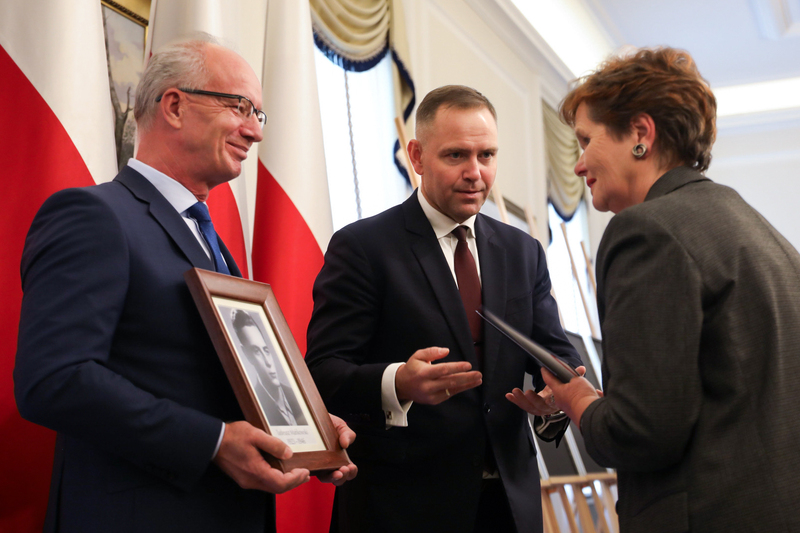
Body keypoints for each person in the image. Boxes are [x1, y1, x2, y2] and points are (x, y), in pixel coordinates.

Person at [14, 35, 355, 533]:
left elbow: (223, 379)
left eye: (259, 115)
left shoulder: (212, 244)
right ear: (174, 105)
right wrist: (213, 443)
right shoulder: (95, 215)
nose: (254, 132)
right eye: (241, 107)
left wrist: (310, 435)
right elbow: (54, 379)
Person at [536, 47, 800, 532]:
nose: (577, 166)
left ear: (640, 134)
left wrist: (578, 401)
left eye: (586, 140)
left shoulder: (646, 232)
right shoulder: (762, 233)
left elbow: (640, 433)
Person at [305, 85, 582, 533]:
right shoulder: (363, 247)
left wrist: (556, 396)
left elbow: (555, 354)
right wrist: (399, 382)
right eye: (456, 156)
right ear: (416, 156)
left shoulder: (523, 251)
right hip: (400, 507)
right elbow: (322, 372)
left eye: (487, 156)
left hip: (508, 506)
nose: (475, 173)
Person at [230, 309, 307, 426]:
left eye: (266, 350)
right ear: (246, 354)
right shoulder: (251, 406)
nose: (268, 362)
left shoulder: (299, 398)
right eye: (257, 351)